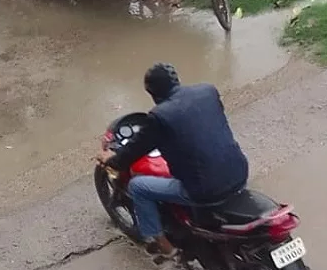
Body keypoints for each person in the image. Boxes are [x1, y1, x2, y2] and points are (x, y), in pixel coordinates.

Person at [98, 63, 249, 257]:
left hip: (205, 191)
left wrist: (111, 159)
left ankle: (164, 246)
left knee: (138, 187)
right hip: (239, 173)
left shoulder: (159, 117)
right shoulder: (208, 91)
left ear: (152, 93)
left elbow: (133, 151)